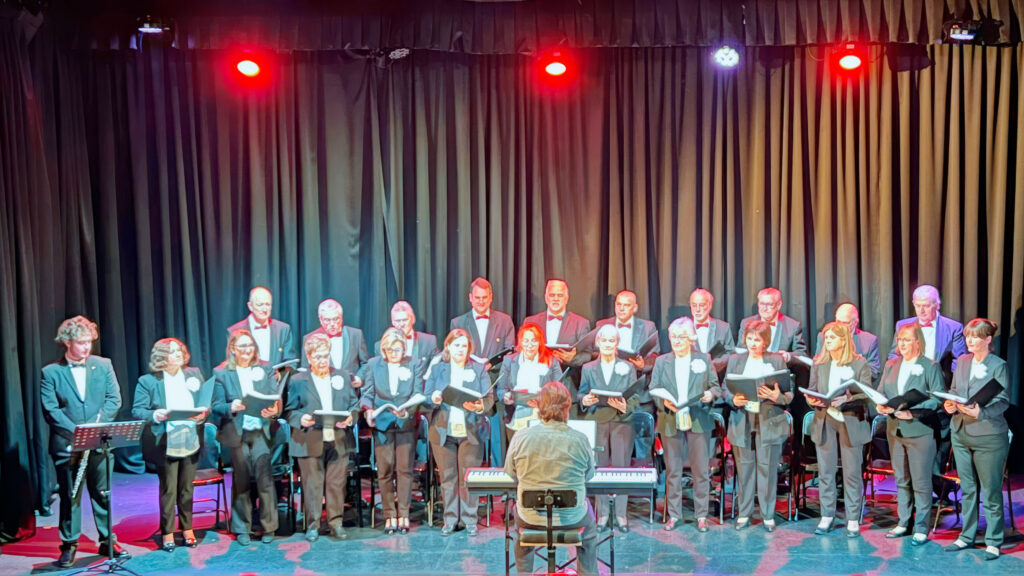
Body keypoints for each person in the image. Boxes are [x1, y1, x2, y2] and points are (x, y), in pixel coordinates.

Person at [40, 316, 128, 568]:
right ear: (67, 342)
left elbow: (114, 399)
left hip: (99, 442)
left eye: (89, 342)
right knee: (71, 496)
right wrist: (79, 434)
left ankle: (107, 540)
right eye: (81, 343)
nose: (86, 347)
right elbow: (51, 410)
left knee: (102, 493)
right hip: (68, 446)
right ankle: (69, 544)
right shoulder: (51, 372)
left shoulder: (103, 364)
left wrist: (96, 428)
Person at [505, 381, 598, 575]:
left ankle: (523, 573)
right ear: (567, 407)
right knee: (589, 528)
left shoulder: (520, 437)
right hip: (572, 518)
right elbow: (589, 475)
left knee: (518, 520)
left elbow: (511, 473)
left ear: (539, 406)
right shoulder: (580, 439)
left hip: (531, 517)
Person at [941, 318, 1010, 561]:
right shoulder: (962, 361)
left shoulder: (998, 365)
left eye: (975, 337)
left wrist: (981, 412)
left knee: (990, 491)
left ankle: (993, 541)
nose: (969, 340)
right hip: (960, 432)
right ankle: (966, 536)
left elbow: (1003, 400)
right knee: (968, 489)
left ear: (988, 339)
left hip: (988, 436)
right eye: (968, 336)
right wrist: (949, 403)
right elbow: (954, 391)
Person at [132, 338, 209, 551]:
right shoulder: (148, 381)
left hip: (190, 439)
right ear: (161, 357)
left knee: (187, 489)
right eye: (172, 352)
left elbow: (205, 402)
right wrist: (156, 415)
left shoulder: (193, 374)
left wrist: (202, 414)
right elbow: (138, 410)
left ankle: (187, 528)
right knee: (169, 489)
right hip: (165, 442)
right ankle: (167, 532)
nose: (177, 354)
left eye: (179, 350)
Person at [285, 334, 360, 542]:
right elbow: (289, 411)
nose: (322, 361)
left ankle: (336, 523)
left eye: (325, 356)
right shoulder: (298, 381)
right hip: (310, 438)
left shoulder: (342, 376)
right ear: (309, 358)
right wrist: (302, 419)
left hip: (338, 438)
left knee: (336, 483)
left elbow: (354, 405)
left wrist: (350, 418)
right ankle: (313, 525)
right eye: (317, 357)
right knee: (313, 484)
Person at [211, 329, 282, 545]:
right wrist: (231, 406)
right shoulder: (222, 373)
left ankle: (269, 527)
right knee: (241, 479)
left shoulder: (265, 368)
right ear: (233, 349)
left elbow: (275, 400)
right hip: (237, 431)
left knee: (264, 478)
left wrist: (274, 410)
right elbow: (216, 406)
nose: (247, 350)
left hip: (260, 430)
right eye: (242, 346)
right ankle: (242, 528)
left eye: (250, 345)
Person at [649, 318, 720, 532]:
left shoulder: (703, 359)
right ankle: (674, 515)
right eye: (674, 337)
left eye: (681, 337)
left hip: (697, 418)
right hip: (671, 419)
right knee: (673, 471)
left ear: (690, 339)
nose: (677, 341)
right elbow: (653, 388)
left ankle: (701, 515)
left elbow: (715, 387)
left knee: (700, 471)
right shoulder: (662, 361)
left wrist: (710, 395)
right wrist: (664, 402)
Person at [876, 323, 944, 546]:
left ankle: (922, 527)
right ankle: (904, 522)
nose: (902, 343)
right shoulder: (891, 364)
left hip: (920, 430)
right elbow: (881, 392)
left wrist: (912, 412)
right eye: (899, 339)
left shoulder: (930, 366)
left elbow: (938, 399)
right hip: (895, 430)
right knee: (901, 479)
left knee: (921, 481)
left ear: (917, 342)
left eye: (906, 339)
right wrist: (880, 405)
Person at [803, 322, 872, 538]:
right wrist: (812, 399)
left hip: (850, 420)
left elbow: (867, 394)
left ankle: (852, 518)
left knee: (852, 472)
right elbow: (812, 390)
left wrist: (847, 399)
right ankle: (827, 515)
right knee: (825, 471)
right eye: (826, 338)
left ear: (844, 340)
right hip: (825, 419)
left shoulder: (859, 363)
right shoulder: (819, 363)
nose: (828, 341)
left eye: (832, 337)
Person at [424, 329, 494, 536]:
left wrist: (479, 406)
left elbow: (489, 398)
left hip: (470, 431)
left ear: (469, 348)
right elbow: (426, 396)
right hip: (442, 430)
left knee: (468, 477)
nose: (460, 349)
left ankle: (469, 519)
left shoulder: (478, 369)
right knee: (448, 477)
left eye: (464, 346)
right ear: (448, 347)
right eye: (456, 345)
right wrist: (434, 398)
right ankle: (450, 519)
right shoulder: (438, 368)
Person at [723, 320, 791, 532]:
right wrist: (732, 399)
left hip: (768, 421)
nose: (752, 344)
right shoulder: (736, 360)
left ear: (766, 341)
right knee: (744, 469)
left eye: (757, 340)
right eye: (750, 339)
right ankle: (744, 513)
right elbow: (725, 389)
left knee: (767, 469)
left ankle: (767, 514)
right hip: (742, 420)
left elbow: (789, 394)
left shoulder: (776, 360)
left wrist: (777, 396)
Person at [359, 328, 426, 535]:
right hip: (383, 424)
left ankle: (403, 513)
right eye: (389, 350)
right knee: (385, 470)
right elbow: (367, 393)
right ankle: (389, 514)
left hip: (406, 423)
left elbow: (418, 393)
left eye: (397, 350)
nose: (393, 354)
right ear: (383, 350)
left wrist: (408, 410)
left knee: (405, 469)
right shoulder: (373, 364)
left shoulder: (414, 363)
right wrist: (368, 410)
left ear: (404, 349)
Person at [578, 324, 638, 532]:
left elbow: (635, 397)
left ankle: (621, 514)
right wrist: (584, 400)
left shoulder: (628, 367)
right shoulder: (588, 368)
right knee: (599, 468)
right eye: (603, 340)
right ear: (598, 343)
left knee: (622, 467)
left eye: (611, 341)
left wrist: (625, 406)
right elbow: (581, 393)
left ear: (617, 344)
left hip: (621, 421)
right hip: (598, 421)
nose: (607, 344)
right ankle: (602, 514)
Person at [523, 279, 593, 401]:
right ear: (546, 298)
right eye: (552, 295)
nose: (555, 299)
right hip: (536, 387)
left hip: (568, 387)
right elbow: (521, 352)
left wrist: (572, 359)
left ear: (566, 299)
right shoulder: (530, 322)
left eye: (560, 295)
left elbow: (588, 354)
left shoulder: (581, 323)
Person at [595, 290, 660, 410]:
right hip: (608, 391)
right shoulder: (602, 324)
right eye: (619, 304)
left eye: (626, 305)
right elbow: (594, 353)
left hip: (637, 391)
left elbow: (655, 355)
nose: (621, 308)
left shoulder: (648, 327)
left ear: (635, 308)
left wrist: (643, 365)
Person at [887, 284, 966, 382]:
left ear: (937, 305)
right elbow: (894, 354)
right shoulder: (902, 325)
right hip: (908, 379)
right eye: (918, 305)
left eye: (926, 306)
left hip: (938, 381)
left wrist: (954, 383)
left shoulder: (953, 327)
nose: (921, 311)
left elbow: (960, 360)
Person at [498, 323, 563, 440]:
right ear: (520, 342)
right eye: (526, 341)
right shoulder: (509, 361)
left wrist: (543, 402)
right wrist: (505, 397)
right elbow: (501, 390)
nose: (530, 345)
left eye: (534, 341)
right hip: (515, 419)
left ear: (540, 342)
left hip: (543, 419)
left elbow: (559, 392)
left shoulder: (551, 361)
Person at [449, 277, 517, 361]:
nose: (481, 301)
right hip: (468, 369)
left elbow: (509, 355)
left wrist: (492, 364)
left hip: (497, 370)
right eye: (477, 297)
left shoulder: (505, 321)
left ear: (491, 297)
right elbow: (455, 354)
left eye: (484, 297)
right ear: (470, 297)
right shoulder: (458, 323)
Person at [227, 286, 296, 365]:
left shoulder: (283, 329)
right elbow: (232, 363)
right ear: (250, 306)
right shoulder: (234, 330)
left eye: (267, 304)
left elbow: (290, 362)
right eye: (260, 305)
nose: (264, 309)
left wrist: (278, 373)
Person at [814, 303, 881, 383]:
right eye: (838, 321)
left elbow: (874, 372)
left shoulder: (869, 340)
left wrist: (849, 373)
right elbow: (818, 365)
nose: (840, 325)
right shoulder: (824, 336)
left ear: (855, 322)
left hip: (855, 387)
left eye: (844, 323)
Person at [738, 287, 808, 361]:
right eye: (761, 303)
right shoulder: (746, 323)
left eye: (769, 304)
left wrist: (788, 356)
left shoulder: (793, 326)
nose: (764, 308)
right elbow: (740, 350)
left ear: (779, 305)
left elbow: (802, 354)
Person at [303, 299, 370, 375]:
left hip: (351, 382)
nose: (332, 324)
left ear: (341, 318)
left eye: (335, 319)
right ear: (320, 319)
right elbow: (306, 370)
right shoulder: (309, 338)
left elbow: (366, 364)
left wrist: (358, 378)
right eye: (327, 320)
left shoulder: (355, 335)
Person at [688, 288, 737, 376]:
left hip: (717, 377)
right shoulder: (683, 328)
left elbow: (731, 352)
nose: (697, 309)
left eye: (702, 305)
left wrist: (716, 364)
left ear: (710, 305)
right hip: (691, 378)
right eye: (694, 305)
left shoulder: (723, 327)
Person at [376, 300, 438, 365]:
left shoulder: (429, 341)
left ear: (413, 319)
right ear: (392, 322)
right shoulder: (380, 346)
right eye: (398, 321)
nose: (402, 324)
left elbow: (438, 365)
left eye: (405, 320)